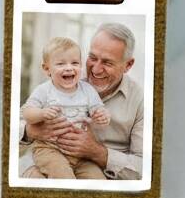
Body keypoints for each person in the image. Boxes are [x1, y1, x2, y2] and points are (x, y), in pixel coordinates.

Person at [20, 22, 144, 181]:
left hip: (94, 167)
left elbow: (145, 167)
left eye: (107, 62)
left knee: (98, 183)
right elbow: (15, 124)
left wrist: (97, 152)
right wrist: (31, 131)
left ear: (128, 65)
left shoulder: (140, 100)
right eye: (92, 58)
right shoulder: (64, 78)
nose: (96, 70)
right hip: (49, 154)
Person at [21, 36, 110, 179]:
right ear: (47, 69)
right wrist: (42, 113)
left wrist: (102, 115)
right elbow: (27, 112)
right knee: (63, 177)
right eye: (61, 64)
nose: (69, 67)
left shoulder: (87, 90)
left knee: (97, 179)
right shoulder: (44, 90)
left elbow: (99, 108)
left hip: (80, 154)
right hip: (49, 149)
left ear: (80, 66)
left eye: (75, 63)